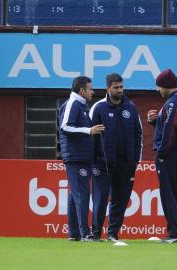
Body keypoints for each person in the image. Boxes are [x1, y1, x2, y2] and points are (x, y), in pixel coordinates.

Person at [89, 73, 143, 242]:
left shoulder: (131, 108)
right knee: (101, 199)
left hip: (126, 164)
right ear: (108, 89)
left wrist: (135, 161)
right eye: (116, 87)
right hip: (102, 163)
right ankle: (96, 234)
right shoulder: (98, 108)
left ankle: (112, 234)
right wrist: (93, 161)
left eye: (121, 87)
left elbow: (138, 135)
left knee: (120, 200)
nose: (120, 90)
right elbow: (90, 137)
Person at [147, 69, 177, 243]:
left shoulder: (173, 102)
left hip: (170, 154)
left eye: (159, 86)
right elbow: (171, 125)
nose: (158, 90)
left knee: (168, 194)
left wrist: (161, 153)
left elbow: (170, 129)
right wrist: (155, 121)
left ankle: (174, 234)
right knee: (175, 193)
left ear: (165, 86)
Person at [58, 76, 105, 242]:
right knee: (82, 194)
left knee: (75, 195)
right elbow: (64, 127)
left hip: (82, 156)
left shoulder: (81, 106)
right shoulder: (72, 104)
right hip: (76, 157)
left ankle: (75, 233)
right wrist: (89, 130)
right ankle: (86, 233)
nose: (93, 92)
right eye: (91, 89)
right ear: (82, 91)